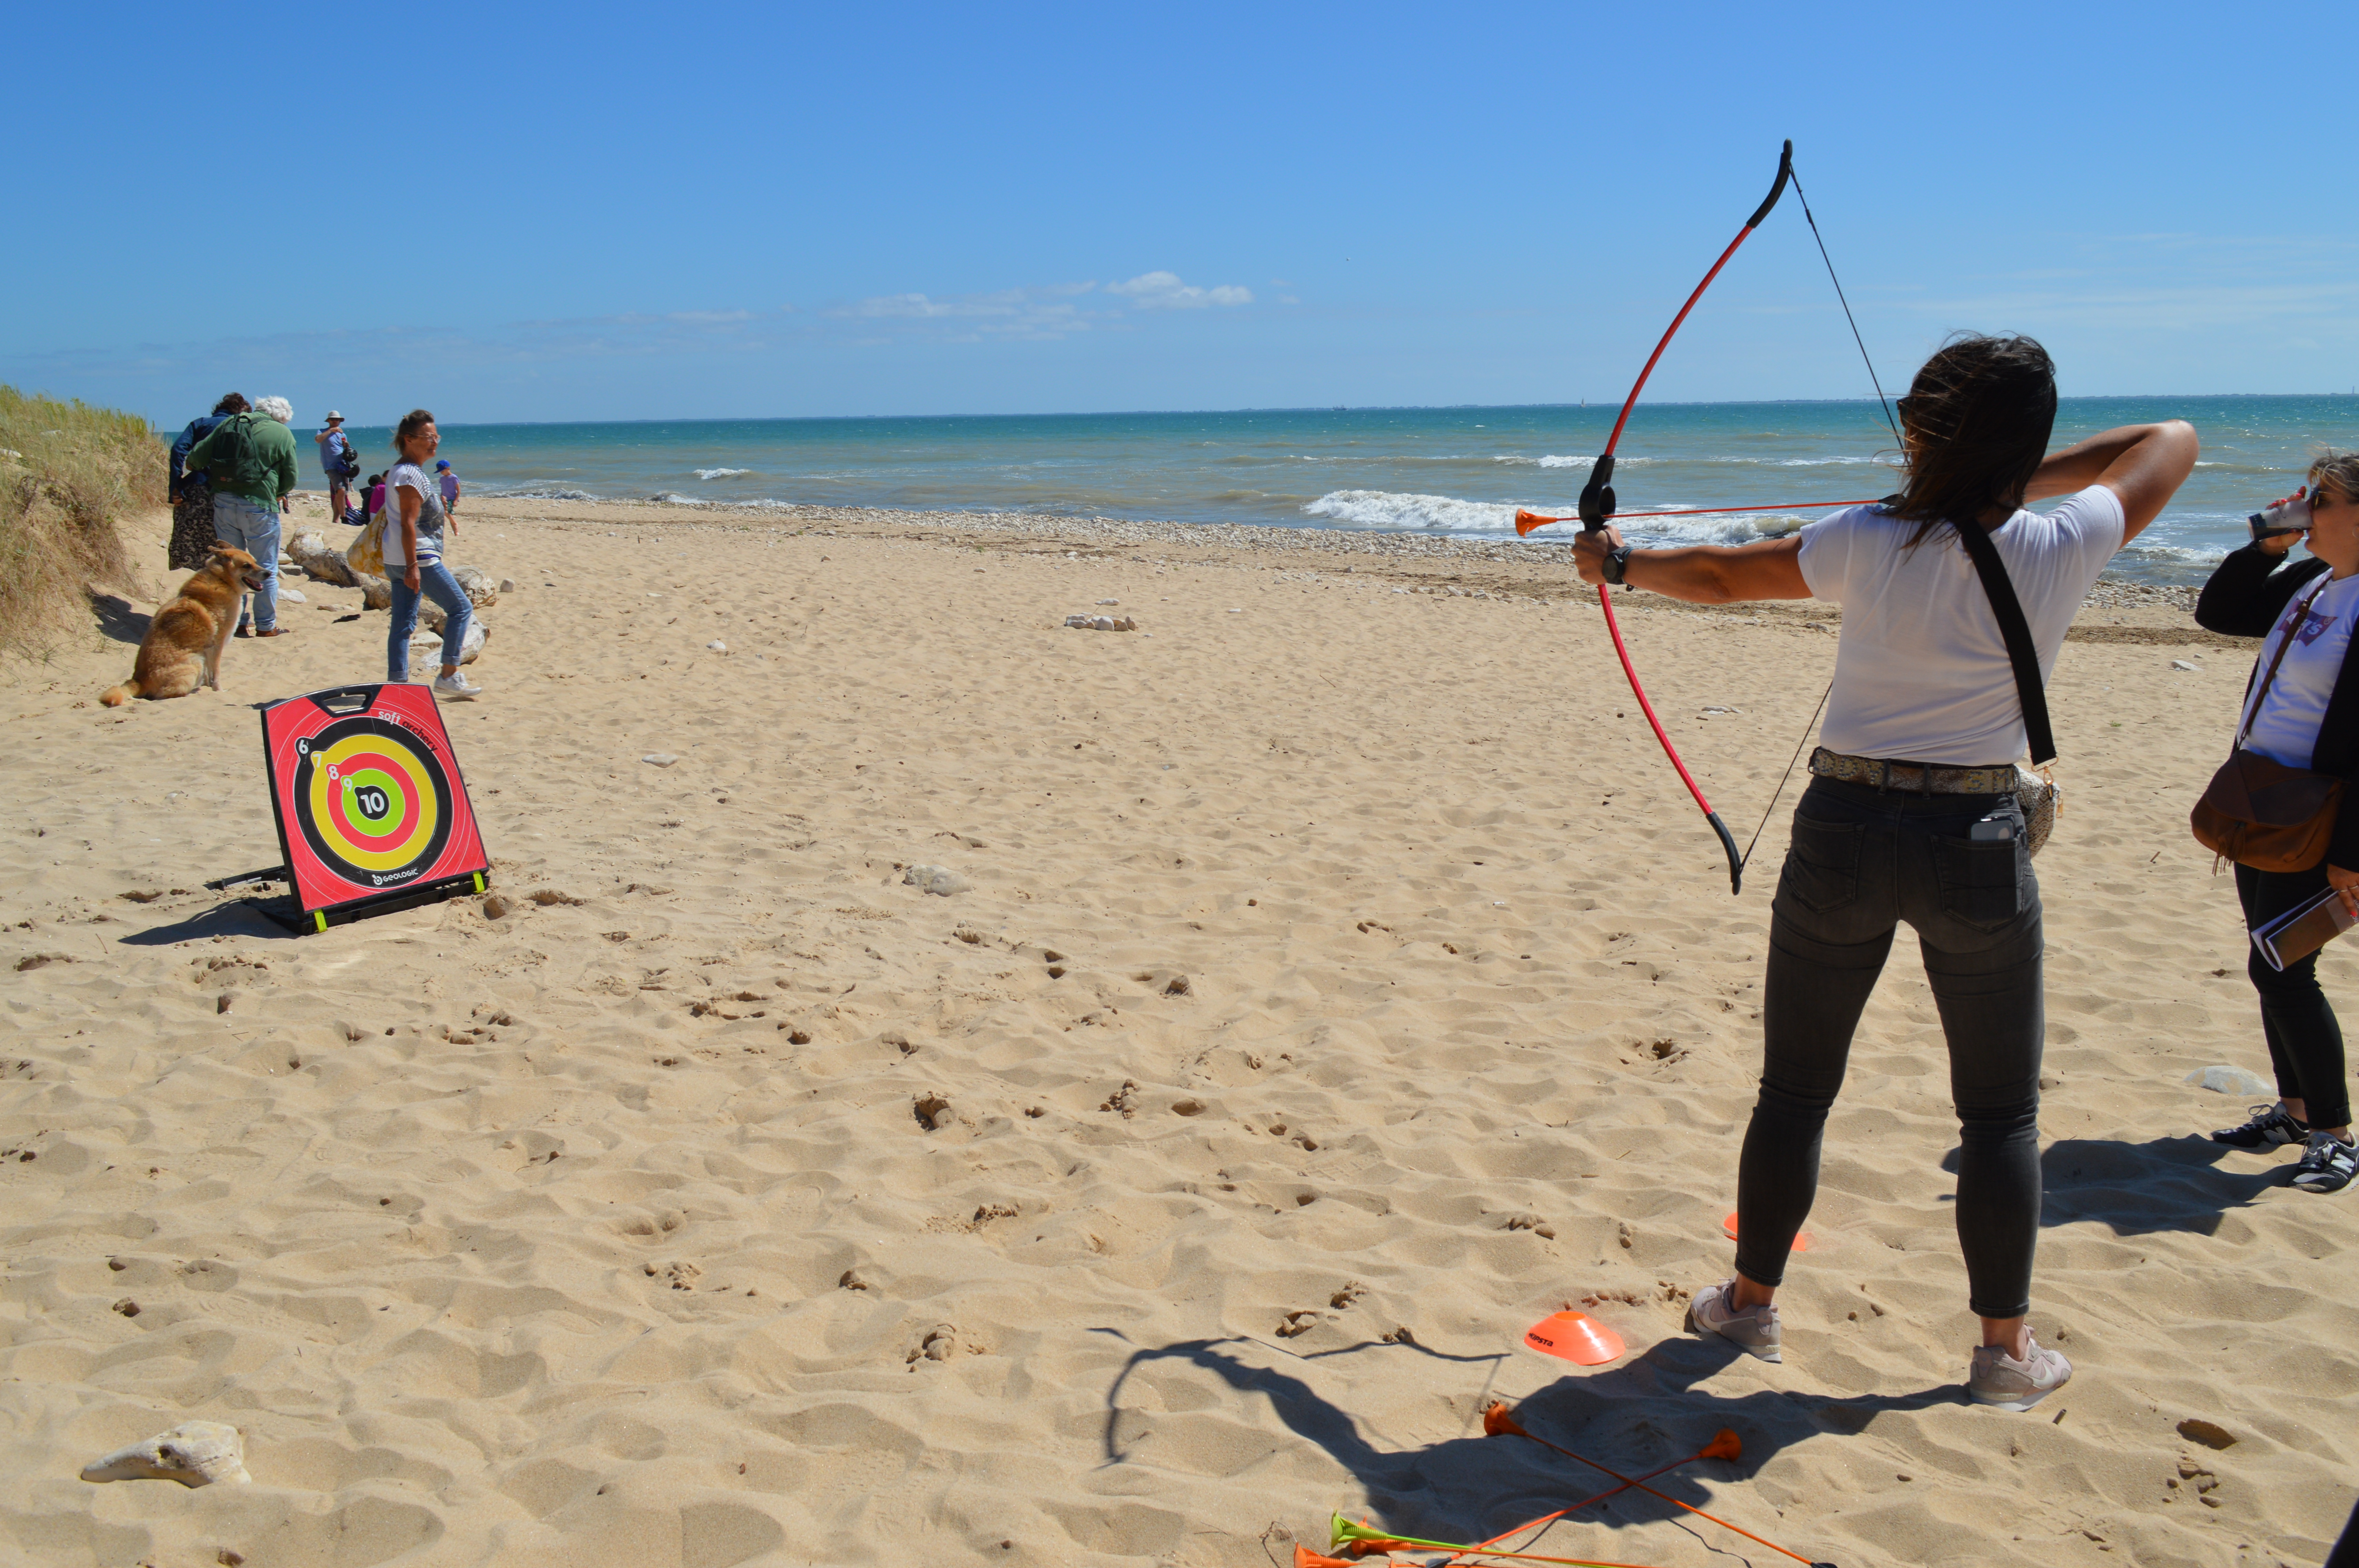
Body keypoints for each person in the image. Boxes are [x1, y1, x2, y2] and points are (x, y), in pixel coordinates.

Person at [1570, 333, 2197, 1408]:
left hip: (1845, 828)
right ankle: (2004, 1355)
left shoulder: (1868, 537)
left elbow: (1723, 576)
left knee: (1795, 1091)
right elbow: (2168, 442)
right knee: (1998, 1116)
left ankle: (1749, 1306)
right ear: (2028, 447)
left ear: (1924, 434)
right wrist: (1993, 476)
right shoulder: (2068, 535)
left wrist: (1620, 564)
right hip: (1978, 839)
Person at [2193, 453, 2359, 1194]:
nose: (2306, 508)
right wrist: (2268, 544)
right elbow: (2220, 612)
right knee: (2272, 965)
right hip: (2263, 801)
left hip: (2324, 815)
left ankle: (2333, 1132)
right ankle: (2294, 1114)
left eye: (2320, 500)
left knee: (2285, 967)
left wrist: (2353, 853)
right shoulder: (2312, 581)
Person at [182, 394, 300, 637]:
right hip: (259, 506)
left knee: (232, 567)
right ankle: (266, 626)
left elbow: (195, 459)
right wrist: (276, 494)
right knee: (265, 566)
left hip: (224, 502)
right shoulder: (282, 434)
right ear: (281, 418)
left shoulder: (230, 423)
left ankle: (237, 623)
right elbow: (291, 477)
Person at [382, 408, 481, 699]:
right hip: (418, 559)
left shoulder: (402, 471)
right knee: (461, 609)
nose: (434, 442)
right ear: (409, 439)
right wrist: (413, 566)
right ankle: (448, 675)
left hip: (398, 559)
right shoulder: (410, 475)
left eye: (436, 436)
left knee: (402, 625)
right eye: (428, 437)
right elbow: (407, 523)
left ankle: (398, 686)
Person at [166, 393, 246, 570]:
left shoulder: (200, 423)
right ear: (240, 411)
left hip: (196, 488)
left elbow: (178, 449)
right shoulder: (242, 426)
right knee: (221, 547)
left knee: (188, 542)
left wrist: (176, 486)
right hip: (229, 493)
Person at [316, 411, 360, 525]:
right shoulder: (322, 431)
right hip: (331, 467)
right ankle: (344, 518)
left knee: (341, 494)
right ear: (329, 421)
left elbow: (344, 449)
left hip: (343, 466)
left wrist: (347, 446)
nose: (335, 421)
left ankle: (335, 520)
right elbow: (318, 440)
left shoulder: (343, 435)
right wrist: (331, 431)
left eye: (337, 420)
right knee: (341, 490)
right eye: (333, 420)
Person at [434, 457, 460, 525]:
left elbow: (459, 490)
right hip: (444, 498)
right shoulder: (442, 479)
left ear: (448, 469)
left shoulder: (454, 478)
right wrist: (441, 496)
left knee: (446, 511)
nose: (441, 473)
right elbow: (443, 488)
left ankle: (454, 523)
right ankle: (451, 518)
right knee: (440, 510)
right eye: (440, 472)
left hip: (452, 498)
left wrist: (456, 500)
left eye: (442, 471)